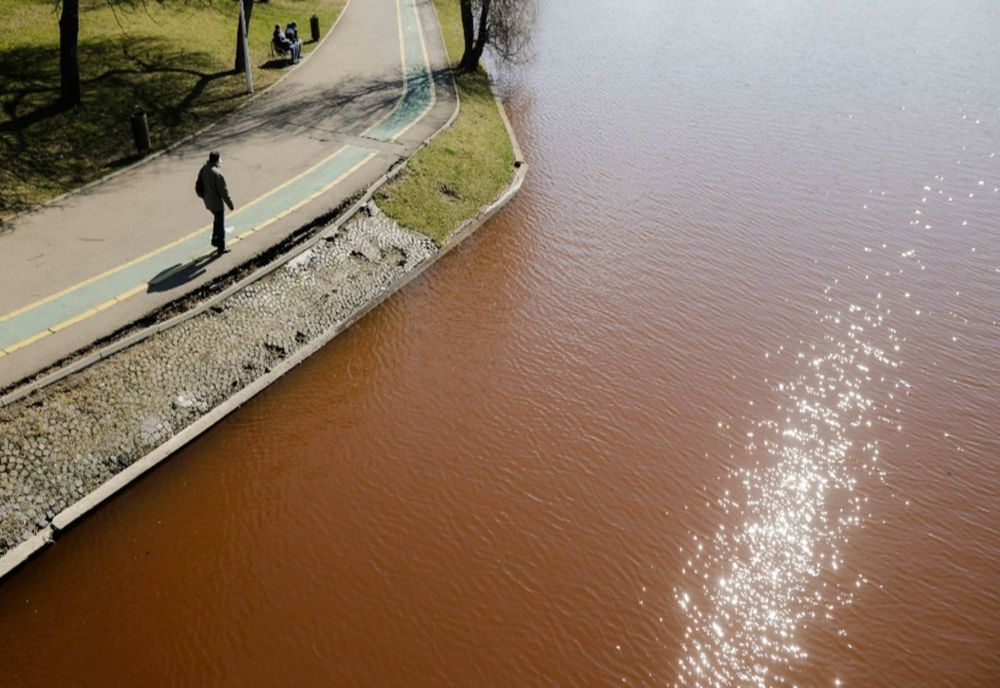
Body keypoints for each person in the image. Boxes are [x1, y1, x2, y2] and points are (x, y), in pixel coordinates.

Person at [198, 151, 234, 255]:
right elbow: (224, 192)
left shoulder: (204, 168)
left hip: (207, 201)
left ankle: (215, 240)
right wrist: (230, 205)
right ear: (217, 160)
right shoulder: (217, 174)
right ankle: (221, 247)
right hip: (216, 203)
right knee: (220, 224)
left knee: (217, 219)